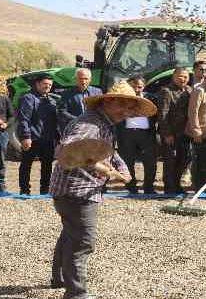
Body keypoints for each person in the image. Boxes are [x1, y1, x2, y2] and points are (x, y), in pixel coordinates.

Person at [49, 81, 154, 298]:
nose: (126, 112)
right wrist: (104, 171)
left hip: (75, 190)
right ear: (107, 102)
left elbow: (108, 152)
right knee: (82, 242)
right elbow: (66, 148)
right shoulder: (90, 124)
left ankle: (59, 277)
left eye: (130, 108)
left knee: (70, 234)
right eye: (122, 106)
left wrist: (122, 170)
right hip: (76, 191)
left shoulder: (104, 124)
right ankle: (76, 294)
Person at [17, 74, 58, 195]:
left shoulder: (52, 101)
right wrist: (25, 137)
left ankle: (45, 190)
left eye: (50, 85)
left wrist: (57, 137)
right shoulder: (28, 98)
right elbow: (24, 119)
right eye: (45, 84)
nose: (48, 87)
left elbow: (54, 121)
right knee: (26, 164)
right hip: (32, 138)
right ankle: (24, 190)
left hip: (48, 139)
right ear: (37, 84)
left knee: (47, 165)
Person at [118, 76, 157, 194]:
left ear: (144, 86)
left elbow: (157, 113)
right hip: (127, 134)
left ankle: (149, 187)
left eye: (139, 86)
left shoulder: (151, 98)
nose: (136, 89)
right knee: (128, 161)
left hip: (146, 134)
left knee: (150, 162)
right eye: (133, 86)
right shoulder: (122, 99)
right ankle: (131, 187)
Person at [157, 68, 192, 194]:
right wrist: (167, 134)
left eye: (185, 77)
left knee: (183, 160)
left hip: (185, 133)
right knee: (170, 162)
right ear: (173, 77)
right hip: (171, 133)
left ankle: (177, 185)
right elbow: (162, 114)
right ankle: (169, 188)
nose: (183, 79)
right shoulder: (166, 91)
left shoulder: (189, 90)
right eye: (180, 76)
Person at [57, 68, 102, 132]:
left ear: (90, 80)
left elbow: (101, 109)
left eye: (86, 79)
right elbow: (62, 111)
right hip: (75, 130)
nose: (83, 82)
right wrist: (78, 120)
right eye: (80, 79)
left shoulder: (97, 92)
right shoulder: (67, 93)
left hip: (93, 129)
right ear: (76, 79)